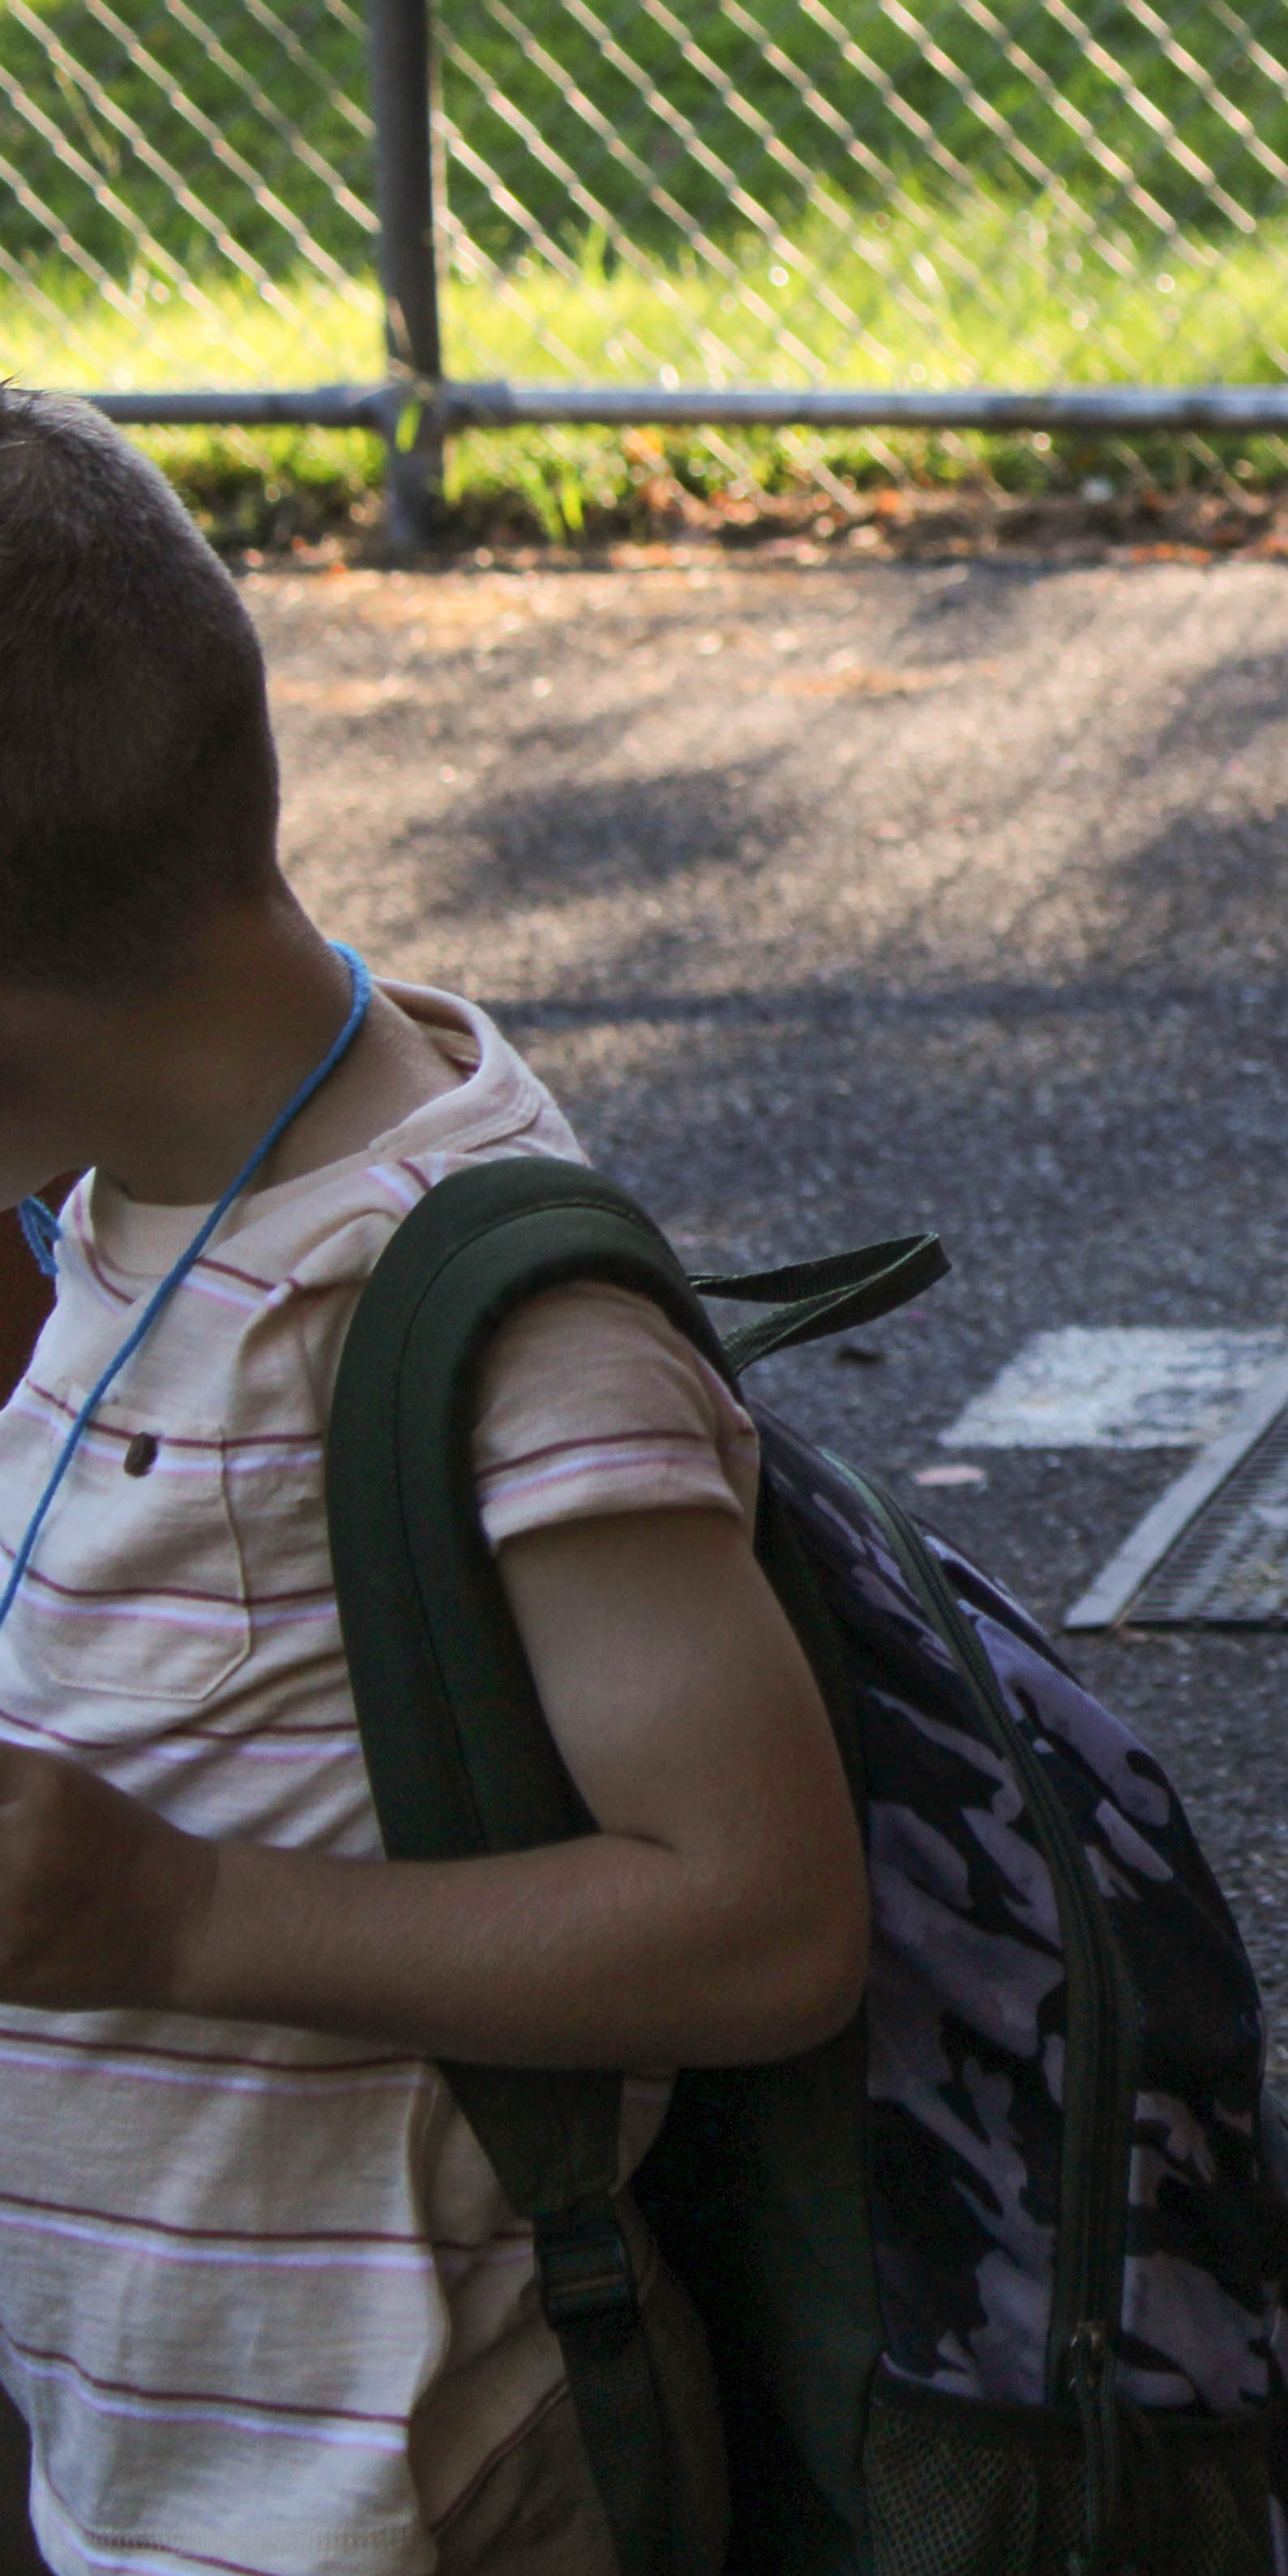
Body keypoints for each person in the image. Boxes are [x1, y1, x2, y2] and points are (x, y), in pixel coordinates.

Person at [0, 390, 865, 2576]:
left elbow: (765, 1916)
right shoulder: (117, 1190)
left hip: (401, 2489)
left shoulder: (484, 1315)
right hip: (133, 2450)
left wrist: (176, 1914)